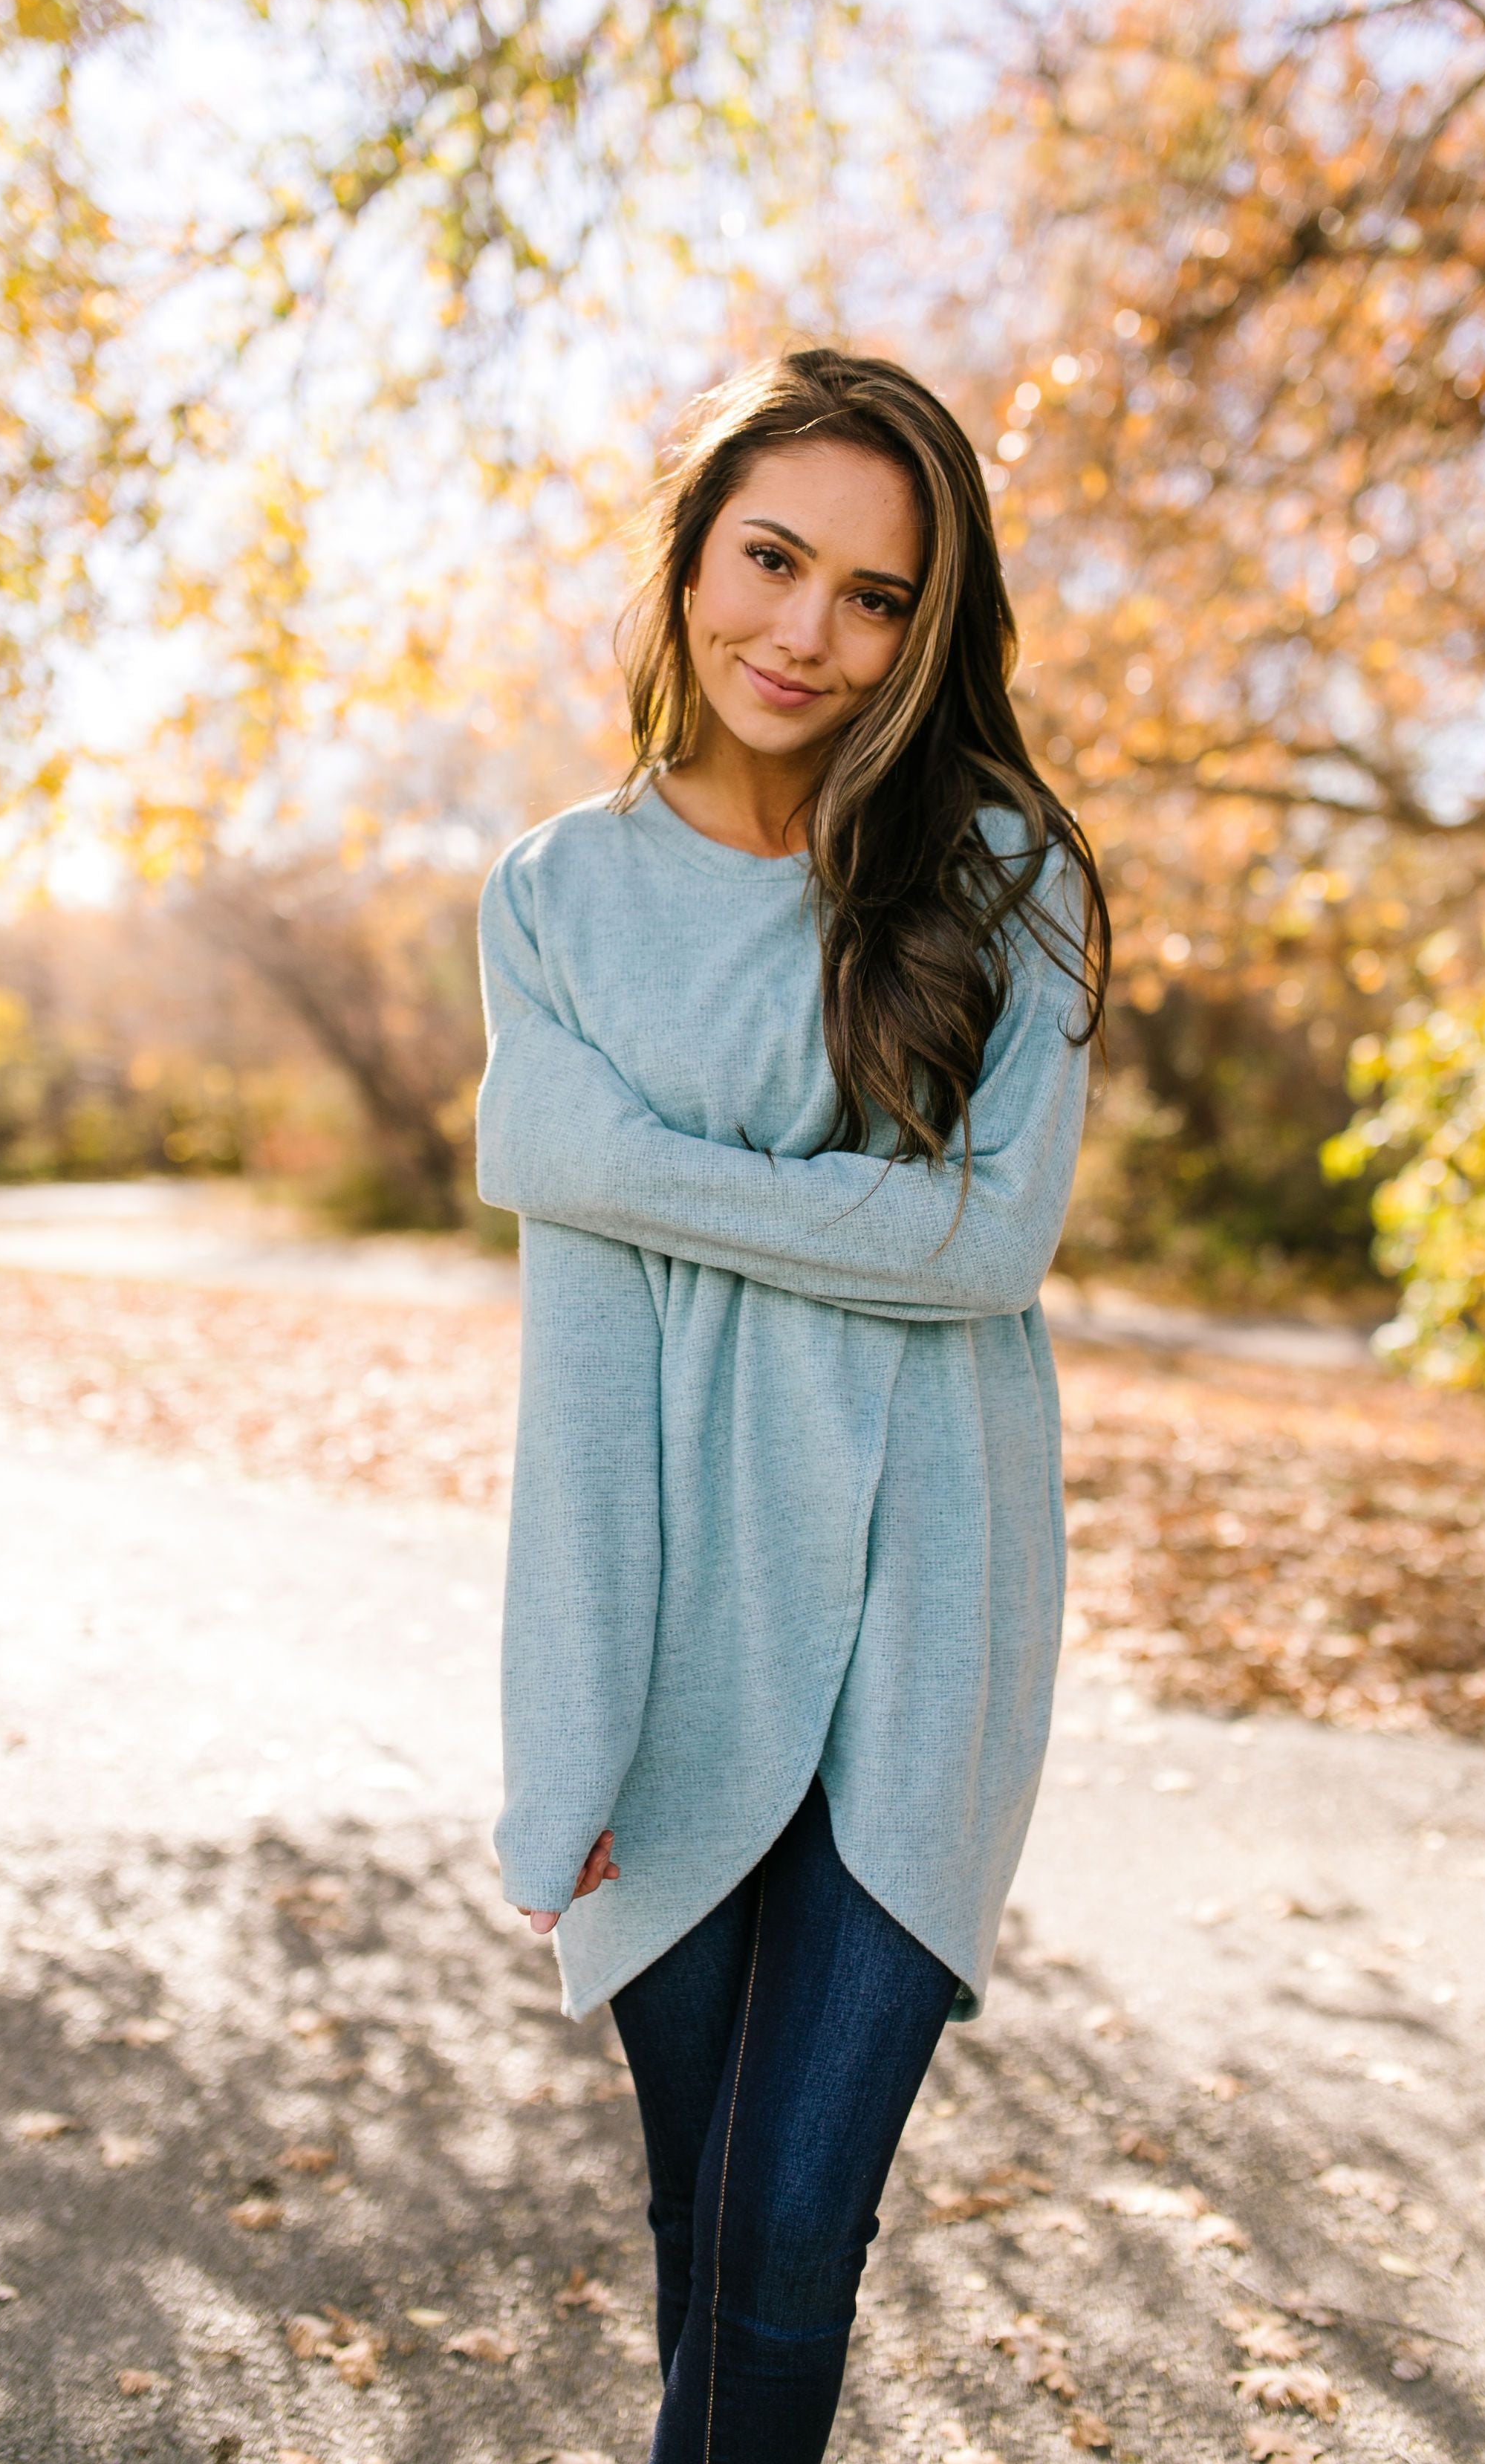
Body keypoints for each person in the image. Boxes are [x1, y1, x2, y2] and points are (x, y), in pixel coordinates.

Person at [474, 346, 1108, 2463]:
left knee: (783, 2251)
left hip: (933, 1628)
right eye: (771, 559)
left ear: (933, 633)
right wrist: (560, 1728)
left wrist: (622, 1164)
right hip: (674, 1645)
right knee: (700, 2228)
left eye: (875, 598)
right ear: (689, 556)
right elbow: (583, 1357)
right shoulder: (556, 900)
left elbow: (982, 1251)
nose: (806, 635)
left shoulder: (1007, 877)